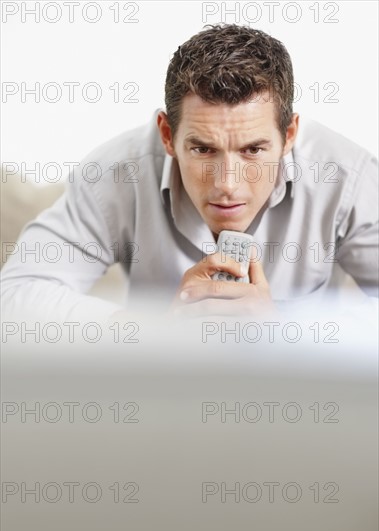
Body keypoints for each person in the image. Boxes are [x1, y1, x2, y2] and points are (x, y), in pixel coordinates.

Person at [1, 24, 378, 321]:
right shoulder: (116, 174)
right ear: (167, 135)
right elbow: (16, 295)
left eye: (253, 150)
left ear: (290, 135)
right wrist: (153, 330)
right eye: (203, 149)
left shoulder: (348, 178)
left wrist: (283, 324)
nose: (227, 184)